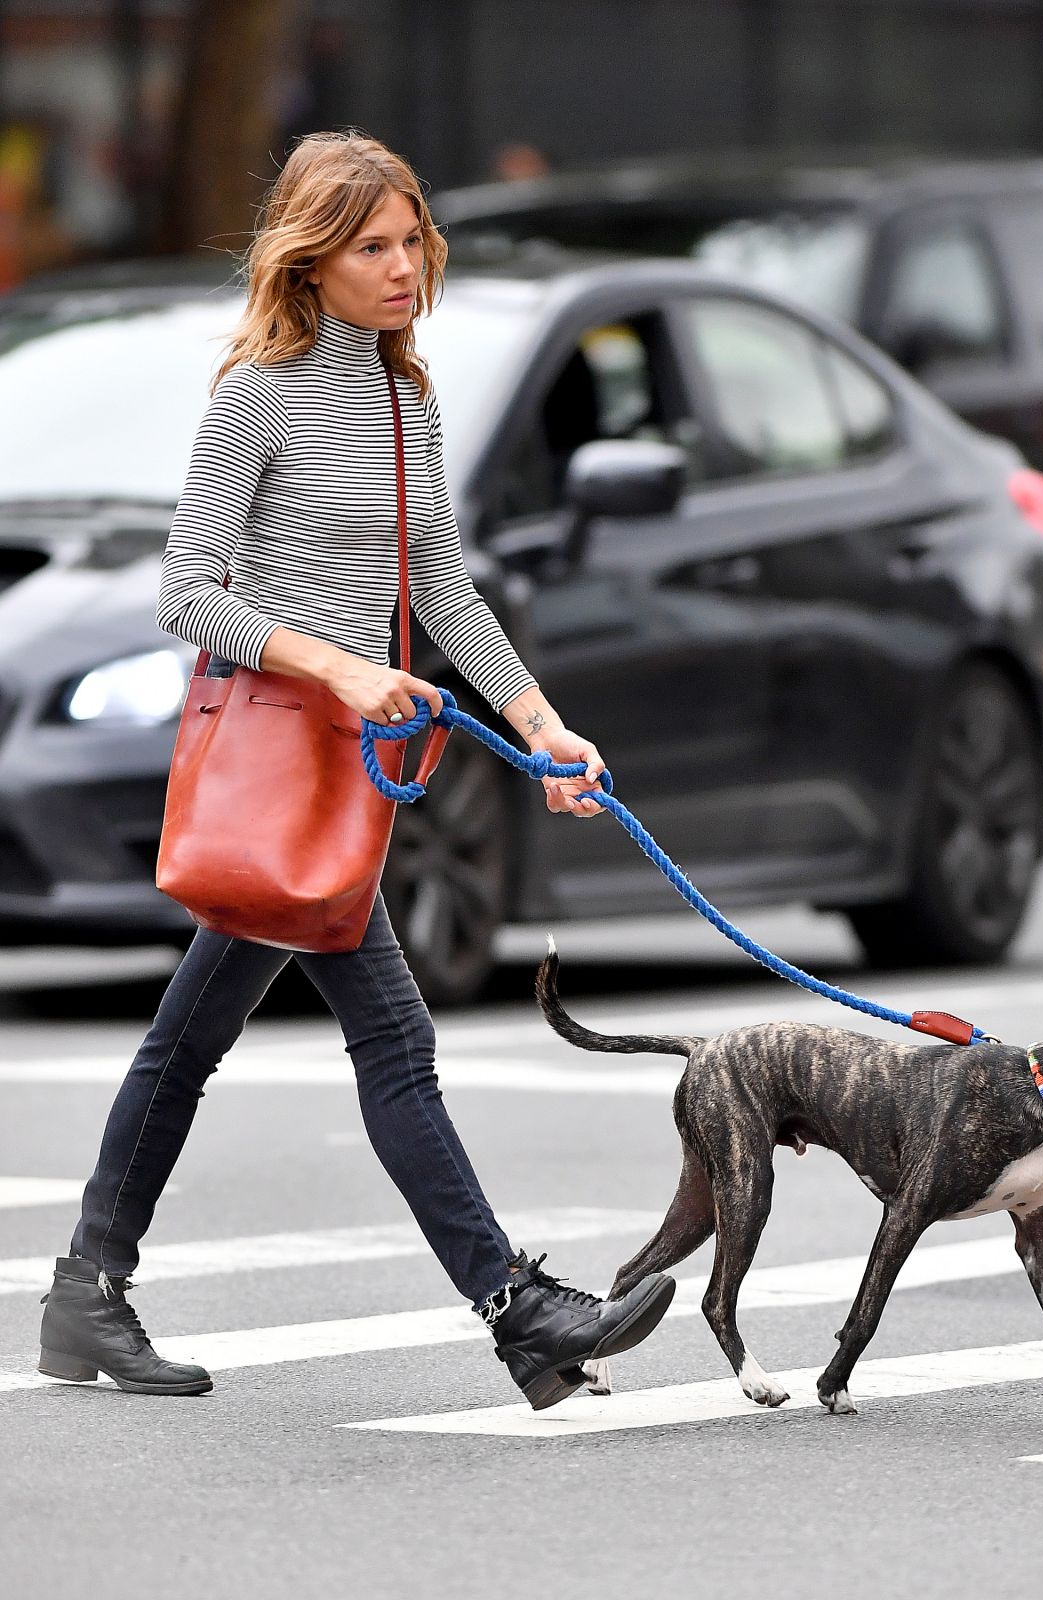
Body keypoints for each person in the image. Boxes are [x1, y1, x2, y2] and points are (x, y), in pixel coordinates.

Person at [36, 128, 675, 1414]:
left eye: (411, 242)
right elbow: (185, 591)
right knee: (389, 1034)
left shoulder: (407, 398)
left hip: (342, 766)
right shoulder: (258, 396)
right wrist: (333, 666)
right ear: (310, 261)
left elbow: (438, 579)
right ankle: (519, 1312)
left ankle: (86, 1290)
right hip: (285, 750)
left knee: (188, 1042)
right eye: (371, 247)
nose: (402, 268)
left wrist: (539, 719)